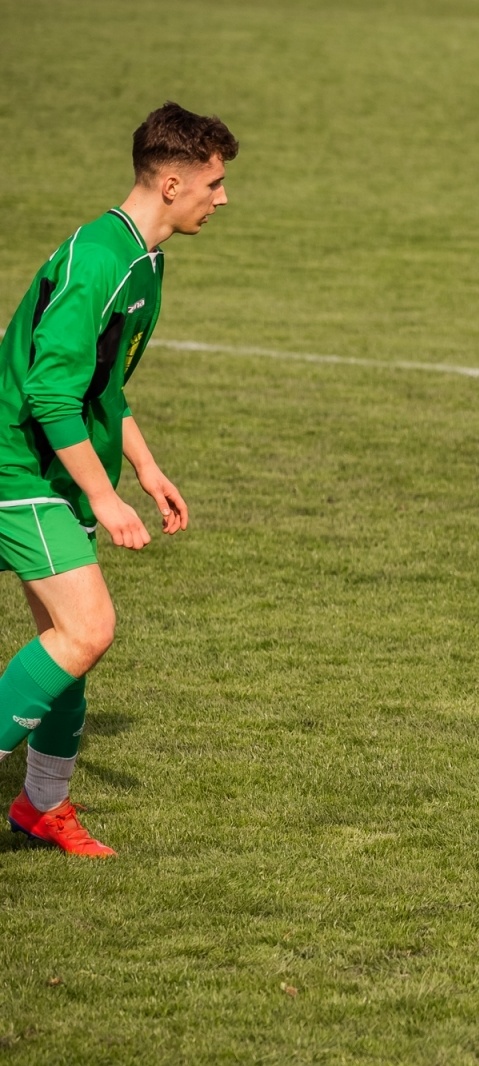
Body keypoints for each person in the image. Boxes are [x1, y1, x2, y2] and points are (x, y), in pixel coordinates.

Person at [0, 102, 237, 856]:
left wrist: (144, 467)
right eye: (214, 183)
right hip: (19, 463)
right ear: (172, 183)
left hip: (58, 468)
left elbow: (101, 385)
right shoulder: (101, 259)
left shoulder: (145, 259)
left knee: (64, 643)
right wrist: (104, 496)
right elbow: (47, 391)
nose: (222, 198)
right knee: (89, 628)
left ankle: (42, 807)